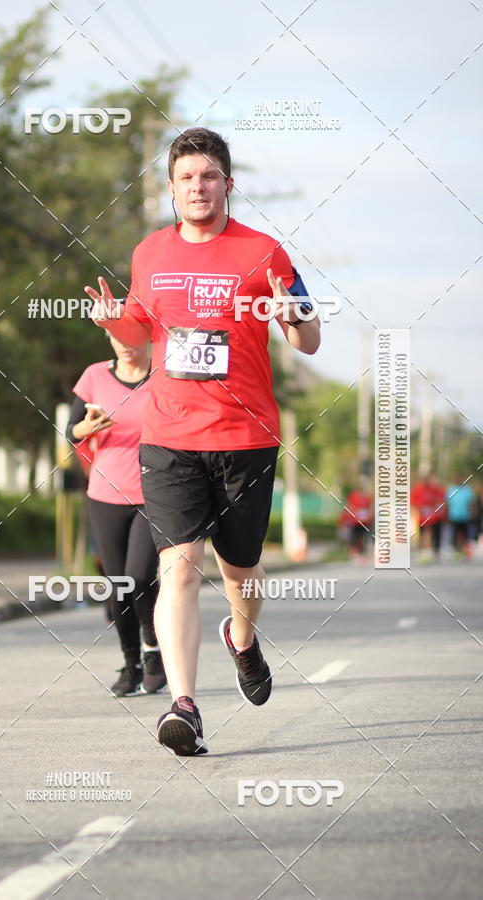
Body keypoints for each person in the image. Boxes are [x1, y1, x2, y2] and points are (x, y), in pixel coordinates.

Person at [85, 127, 321, 755]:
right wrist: (116, 323)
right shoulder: (149, 253)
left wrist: (290, 316)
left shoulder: (265, 251)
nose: (198, 187)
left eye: (209, 176)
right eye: (186, 178)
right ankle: (183, 706)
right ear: (170, 189)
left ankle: (242, 639)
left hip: (245, 436)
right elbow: (139, 333)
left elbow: (310, 335)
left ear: (228, 184)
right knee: (177, 565)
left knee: (239, 571)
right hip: (170, 436)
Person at [66, 333, 167, 697]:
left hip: (153, 495)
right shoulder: (94, 375)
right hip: (104, 494)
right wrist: (87, 427)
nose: (124, 343)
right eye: (115, 335)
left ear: (148, 336)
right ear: (106, 335)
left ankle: (153, 650)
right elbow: (71, 432)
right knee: (118, 586)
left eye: (132, 335)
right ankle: (131, 664)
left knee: (139, 577)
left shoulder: (165, 375)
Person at [411, 472, 445, 560]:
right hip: (422, 518)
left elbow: (439, 499)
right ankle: (421, 551)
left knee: (434, 533)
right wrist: (421, 506)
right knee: (422, 534)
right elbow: (412, 501)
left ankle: (435, 551)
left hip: (433, 517)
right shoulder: (418, 489)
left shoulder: (434, 489)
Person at [445, 475, 477, 558]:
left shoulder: (467, 490)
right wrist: (446, 514)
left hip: (465, 515)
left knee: (465, 534)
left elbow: (472, 502)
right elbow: (446, 503)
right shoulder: (451, 489)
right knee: (455, 534)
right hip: (454, 515)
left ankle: (465, 551)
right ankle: (456, 551)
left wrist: (473, 512)